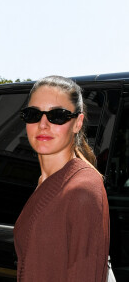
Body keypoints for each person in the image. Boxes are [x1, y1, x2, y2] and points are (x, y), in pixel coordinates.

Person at [14, 76, 110, 281]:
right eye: (33, 114)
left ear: (78, 123)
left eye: (57, 115)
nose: (43, 124)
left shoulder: (83, 190)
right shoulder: (44, 181)